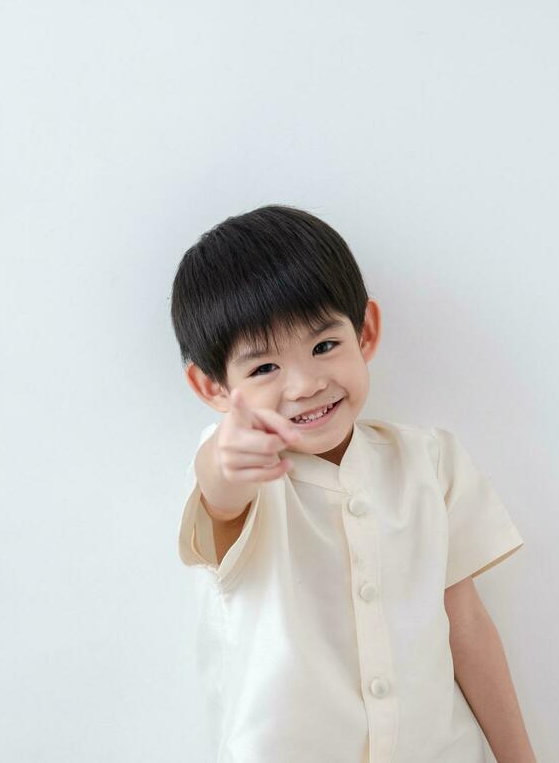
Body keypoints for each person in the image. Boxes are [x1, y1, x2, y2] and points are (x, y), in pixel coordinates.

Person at [170, 204, 537, 763]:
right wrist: (225, 462)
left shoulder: (429, 462)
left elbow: (466, 626)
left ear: (365, 332)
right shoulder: (239, 470)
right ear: (213, 386)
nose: (304, 385)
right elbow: (218, 495)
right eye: (264, 368)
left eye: (324, 346)